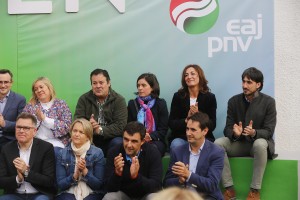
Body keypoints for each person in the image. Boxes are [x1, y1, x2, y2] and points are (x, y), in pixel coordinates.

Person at [214, 67, 277, 200]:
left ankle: (254, 191)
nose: (244, 85)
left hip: (257, 145)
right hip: (240, 144)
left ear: (258, 85)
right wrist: (235, 134)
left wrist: (254, 132)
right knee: (218, 143)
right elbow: (227, 128)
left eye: (249, 82)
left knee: (260, 143)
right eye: (243, 82)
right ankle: (229, 189)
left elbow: (269, 131)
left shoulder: (269, 102)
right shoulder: (233, 101)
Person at [164, 112, 224, 200]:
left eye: (193, 130)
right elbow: (166, 183)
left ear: (205, 131)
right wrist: (179, 181)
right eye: (187, 129)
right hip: (183, 196)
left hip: (206, 197)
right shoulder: (177, 151)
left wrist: (188, 175)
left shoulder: (216, 152)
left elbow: (211, 185)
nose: (188, 133)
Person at [0, 112, 56, 200]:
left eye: (26, 128)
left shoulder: (46, 148)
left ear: (34, 131)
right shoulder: (6, 149)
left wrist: (26, 172)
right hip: (15, 195)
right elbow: (1, 180)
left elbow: (49, 181)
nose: (21, 131)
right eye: (18, 127)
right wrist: (18, 179)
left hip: (39, 194)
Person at [103, 121, 163, 200]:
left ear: (142, 141)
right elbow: (107, 188)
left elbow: (157, 186)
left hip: (145, 195)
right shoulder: (114, 152)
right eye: (126, 139)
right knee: (109, 197)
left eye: (134, 141)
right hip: (123, 195)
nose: (129, 145)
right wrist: (117, 174)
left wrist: (137, 177)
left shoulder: (153, 153)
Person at [74, 68, 127, 156]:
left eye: (101, 82)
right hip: (89, 138)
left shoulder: (119, 100)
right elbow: (77, 121)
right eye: (94, 83)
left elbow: (121, 126)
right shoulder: (84, 99)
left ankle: (112, 168)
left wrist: (100, 130)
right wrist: (88, 126)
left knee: (118, 143)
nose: (98, 86)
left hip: (111, 138)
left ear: (109, 83)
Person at [168, 64, 217, 150]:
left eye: (192, 74)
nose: (189, 77)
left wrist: (199, 115)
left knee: (208, 147)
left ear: (199, 76)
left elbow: (212, 125)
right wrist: (186, 120)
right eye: (186, 75)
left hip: (202, 138)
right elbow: (172, 123)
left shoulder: (210, 97)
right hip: (182, 137)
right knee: (176, 145)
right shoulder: (178, 96)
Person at [56, 118, 106, 200]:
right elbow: (61, 184)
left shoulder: (97, 153)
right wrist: (74, 176)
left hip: (92, 192)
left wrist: (85, 171)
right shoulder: (62, 153)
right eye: (75, 131)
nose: (76, 134)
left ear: (88, 137)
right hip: (69, 192)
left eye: (81, 132)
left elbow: (98, 185)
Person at [22, 77, 72, 155]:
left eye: (41, 87)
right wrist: (37, 120)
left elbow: (66, 126)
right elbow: (24, 127)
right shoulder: (30, 106)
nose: (39, 90)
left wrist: (45, 119)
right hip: (36, 143)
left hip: (57, 143)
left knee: (54, 153)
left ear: (49, 87)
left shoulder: (61, 104)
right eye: (36, 89)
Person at [127, 73, 169, 157]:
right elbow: (128, 126)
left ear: (152, 87)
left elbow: (163, 129)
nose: (140, 88)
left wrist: (150, 136)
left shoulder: (160, 104)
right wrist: (138, 137)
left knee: (151, 149)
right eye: (138, 85)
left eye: (143, 85)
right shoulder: (132, 103)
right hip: (135, 139)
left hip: (155, 140)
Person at [0, 69, 26, 151]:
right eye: (0, 82)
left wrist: (4, 124)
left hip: (9, 140)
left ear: (11, 83)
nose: (3, 85)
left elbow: (22, 125)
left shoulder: (20, 100)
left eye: (6, 82)